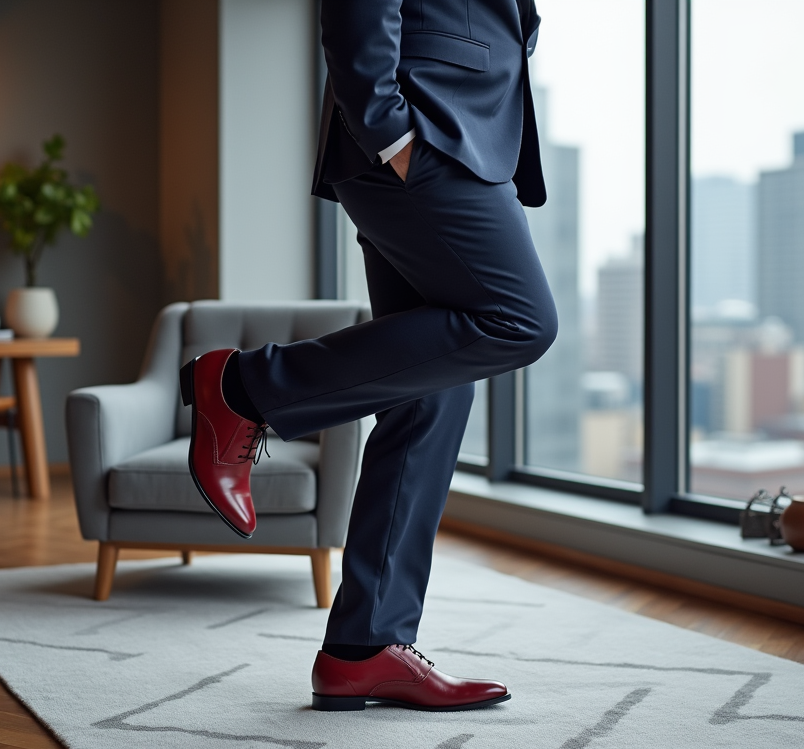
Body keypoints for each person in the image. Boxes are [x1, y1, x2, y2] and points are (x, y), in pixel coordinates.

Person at [180, 0, 556, 712]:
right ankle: (242, 389)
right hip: (426, 133)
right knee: (520, 320)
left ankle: (363, 648)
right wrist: (391, 133)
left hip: (461, 132)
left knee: (432, 391)